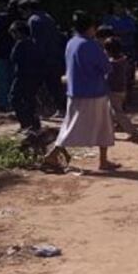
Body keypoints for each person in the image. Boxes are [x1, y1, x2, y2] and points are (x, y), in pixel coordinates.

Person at [43, 12, 117, 171]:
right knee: (99, 127)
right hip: (93, 92)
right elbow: (107, 67)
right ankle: (53, 153)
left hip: (74, 91)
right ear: (90, 27)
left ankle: (103, 161)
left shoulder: (72, 42)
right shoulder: (91, 45)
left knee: (72, 124)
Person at [22, 0, 66, 117]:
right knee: (54, 85)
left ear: (28, 9)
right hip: (55, 56)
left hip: (42, 58)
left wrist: (32, 57)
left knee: (37, 85)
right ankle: (60, 108)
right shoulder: (48, 17)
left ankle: (42, 110)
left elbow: (36, 42)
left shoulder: (33, 20)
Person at [103, 37, 138, 142]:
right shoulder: (123, 60)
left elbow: (108, 78)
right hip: (121, 90)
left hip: (114, 91)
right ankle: (109, 132)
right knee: (111, 112)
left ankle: (134, 132)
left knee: (117, 113)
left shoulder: (113, 64)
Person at [8, 21, 44, 132]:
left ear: (19, 32)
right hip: (34, 77)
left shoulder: (20, 44)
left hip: (22, 76)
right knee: (30, 100)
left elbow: (13, 58)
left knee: (15, 98)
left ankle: (25, 123)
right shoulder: (34, 43)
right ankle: (34, 124)